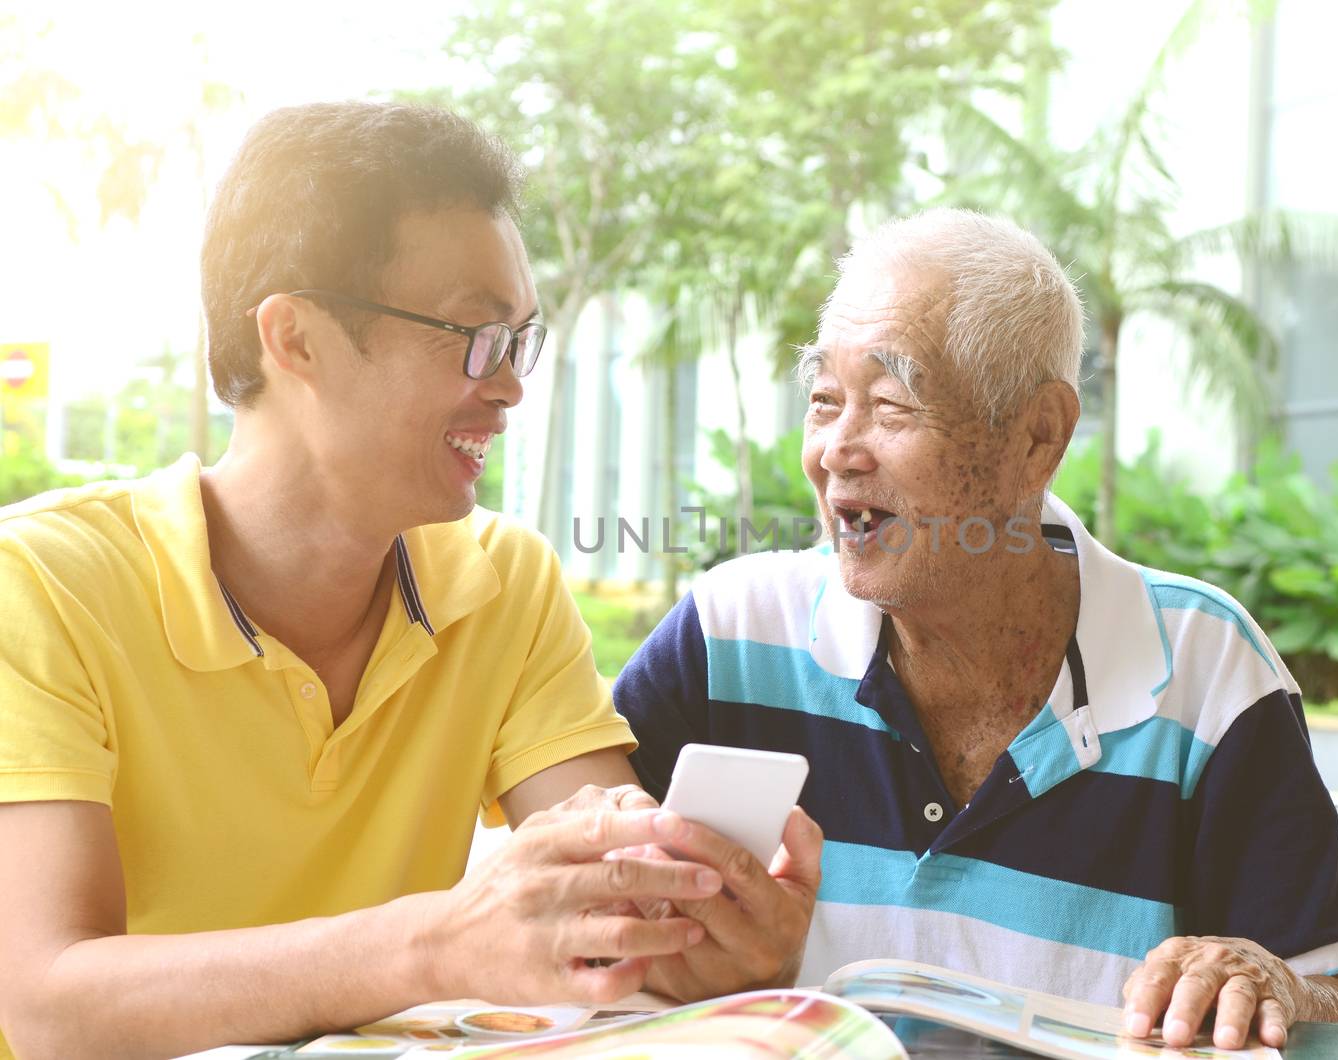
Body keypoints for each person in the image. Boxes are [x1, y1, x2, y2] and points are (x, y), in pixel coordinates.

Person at [0, 102, 816, 1060]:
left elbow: (604, 913)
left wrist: (700, 932)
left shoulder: (502, 583)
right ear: (294, 338)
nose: (510, 383)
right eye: (473, 333)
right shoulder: (43, 584)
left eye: (520, 340)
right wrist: (431, 946)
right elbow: (48, 1007)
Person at [613, 208, 1338, 1050]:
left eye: (892, 407)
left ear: (1038, 435)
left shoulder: (1206, 669)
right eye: (824, 402)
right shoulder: (728, 636)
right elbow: (573, 931)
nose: (837, 450)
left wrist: (1261, 979)